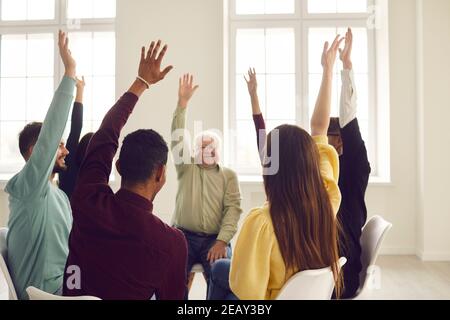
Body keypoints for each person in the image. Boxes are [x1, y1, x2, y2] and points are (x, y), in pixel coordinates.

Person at [207, 35, 345, 300]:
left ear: (272, 168)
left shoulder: (261, 224)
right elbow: (320, 129)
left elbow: (247, 293)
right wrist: (329, 72)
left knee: (219, 271)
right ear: (310, 163)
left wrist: (327, 71)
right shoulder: (328, 201)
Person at [63, 40, 187, 300]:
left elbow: (105, 136)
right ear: (161, 174)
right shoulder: (171, 243)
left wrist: (141, 82)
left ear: (118, 167)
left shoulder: (87, 202)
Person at [5, 31, 77, 299]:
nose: (66, 150)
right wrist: (70, 72)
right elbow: (51, 131)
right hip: (44, 294)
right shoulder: (29, 186)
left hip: (66, 286)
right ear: (37, 153)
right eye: (60, 144)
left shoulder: (59, 196)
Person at [171, 74, 242, 299]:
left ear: (219, 151)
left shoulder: (228, 175)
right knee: (170, 273)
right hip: (183, 236)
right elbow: (176, 138)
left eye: (213, 146)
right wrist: (183, 103)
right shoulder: (186, 167)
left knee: (224, 278)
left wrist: (222, 241)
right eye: (203, 146)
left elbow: (233, 210)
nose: (208, 149)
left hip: (215, 238)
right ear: (194, 151)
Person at [328, 28, 371, 299]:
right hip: (323, 274)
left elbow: (348, 118)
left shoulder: (354, 166)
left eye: (330, 140)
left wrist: (346, 67)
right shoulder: (324, 172)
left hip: (340, 281)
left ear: (342, 142)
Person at [59, 76, 94, 199]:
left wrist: (80, 90)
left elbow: (76, 126)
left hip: (63, 212)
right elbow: (77, 126)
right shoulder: (92, 173)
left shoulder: (68, 161)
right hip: (75, 214)